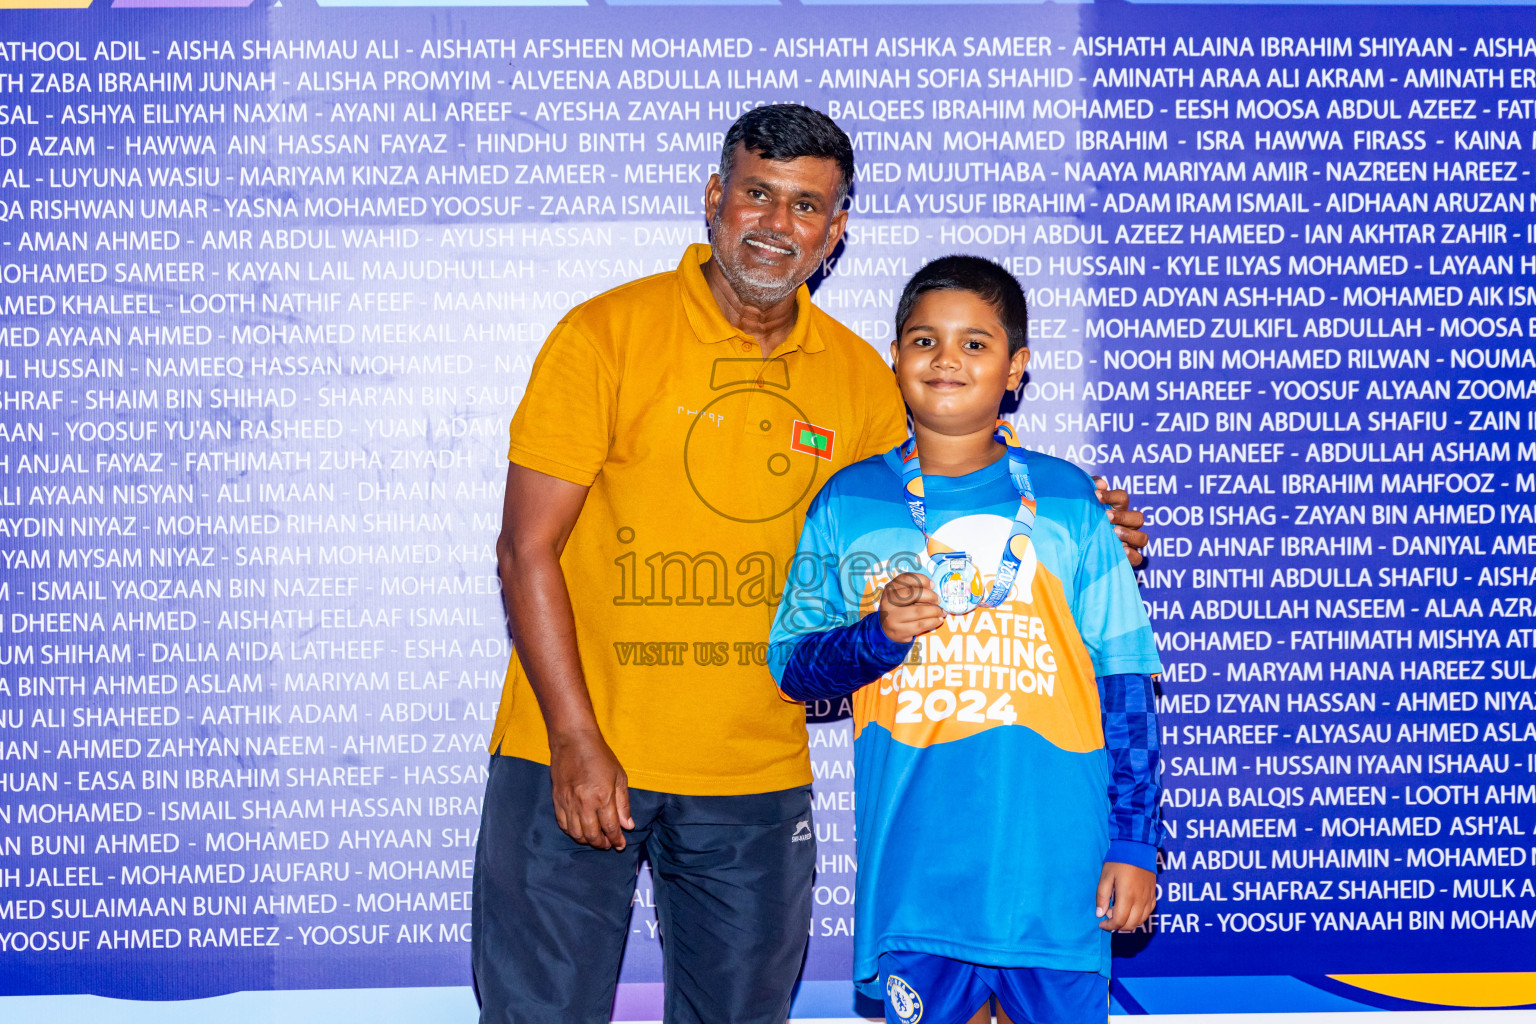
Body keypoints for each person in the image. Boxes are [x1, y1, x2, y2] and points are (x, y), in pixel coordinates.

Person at [473, 105, 1150, 1024]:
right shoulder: (604, 334)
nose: (775, 225)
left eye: (805, 207)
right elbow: (525, 550)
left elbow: (963, 485)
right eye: (757, 194)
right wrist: (575, 740)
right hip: (574, 758)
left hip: (755, 780)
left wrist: (1094, 522)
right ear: (716, 198)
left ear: (835, 233)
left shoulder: (864, 379)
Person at [768, 256, 1162, 1024]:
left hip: (1055, 871)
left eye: (975, 344)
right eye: (924, 340)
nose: (947, 359)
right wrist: (877, 636)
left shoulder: (1072, 500)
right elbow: (792, 668)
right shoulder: (849, 500)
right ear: (895, 357)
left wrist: (1135, 842)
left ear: (1016, 368)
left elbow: (1125, 685)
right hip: (917, 873)